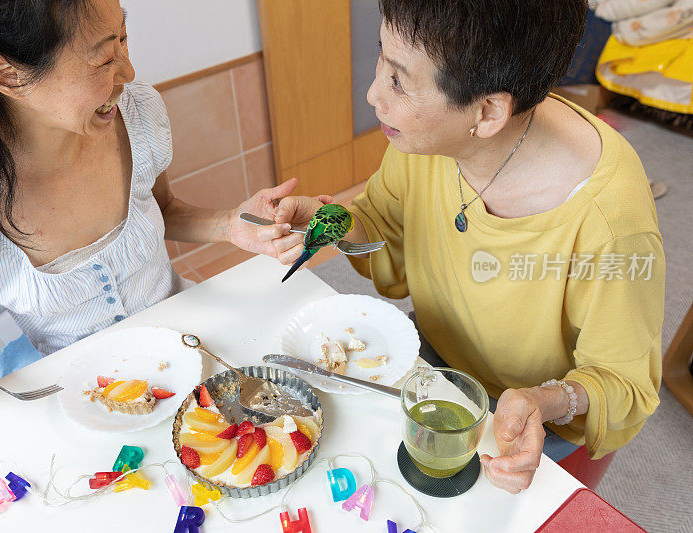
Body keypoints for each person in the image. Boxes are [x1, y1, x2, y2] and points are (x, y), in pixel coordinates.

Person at [265, 0, 665, 493]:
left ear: (488, 112)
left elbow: (623, 384)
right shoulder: (428, 138)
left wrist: (544, 402)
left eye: (398, 81)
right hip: (429, 367)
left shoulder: (611, 225)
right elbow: (387, 227)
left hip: (530, 426)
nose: (373, 95)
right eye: (383, 61)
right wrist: (339, 224)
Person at [0, 0, 300, 437]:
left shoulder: (137, 115)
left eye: (123, 37)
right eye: (105, 57)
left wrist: (231, 225)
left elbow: (163, 209)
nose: (128, 71)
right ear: (7, 76)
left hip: (188, 344)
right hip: (77, 401)